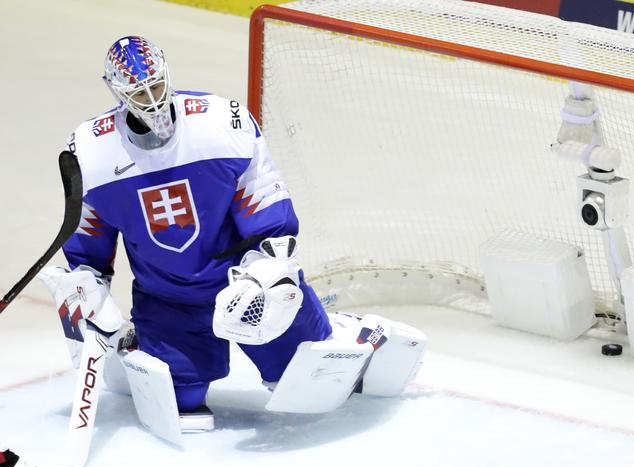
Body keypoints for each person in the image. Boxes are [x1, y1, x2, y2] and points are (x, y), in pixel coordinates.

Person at [48, 36, 423, 433]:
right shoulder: (91, 153)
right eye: (139, 92)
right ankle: (142, 347)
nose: (153, 100)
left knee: (310, 387)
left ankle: (353, 333)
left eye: (156, 86)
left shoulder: (222, 124)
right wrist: (87, 284)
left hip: (244, 285)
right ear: (117, 92)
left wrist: (267, 272)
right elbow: (89, 235)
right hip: (168, 297)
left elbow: (265, 204)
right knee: (181, 408)